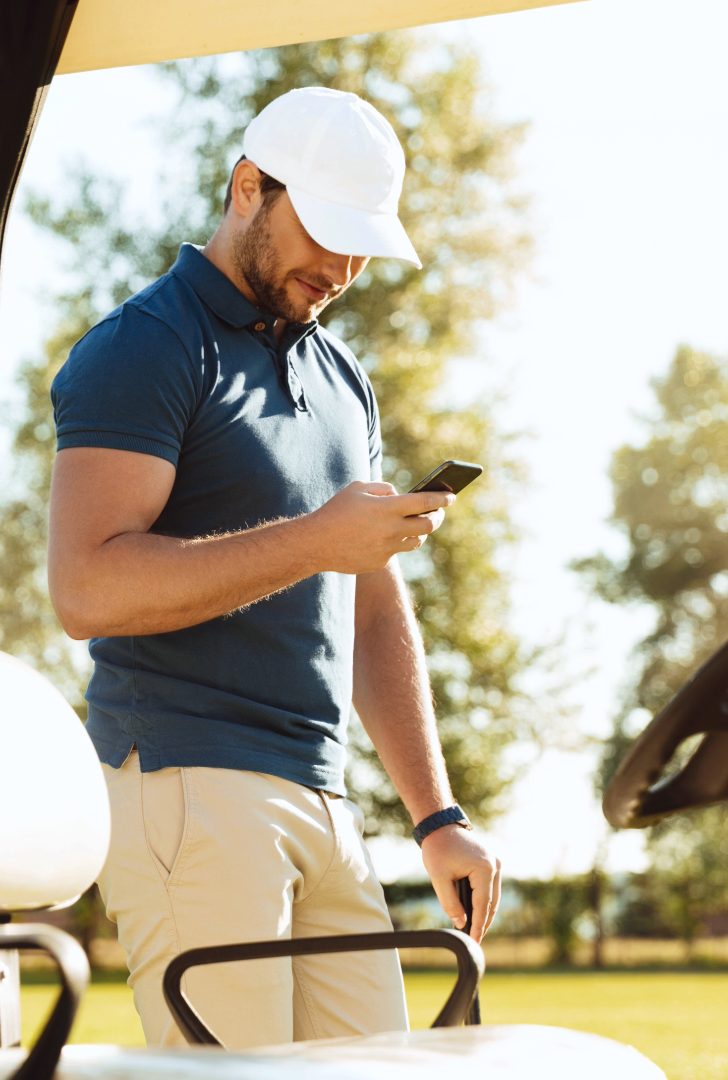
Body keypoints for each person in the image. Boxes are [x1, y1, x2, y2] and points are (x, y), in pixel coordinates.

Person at [45, 87, 503, 1049]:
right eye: (326, 232)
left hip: (323, 794)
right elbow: (86, 589)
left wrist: (436, 816)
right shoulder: (145, 346)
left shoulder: (342, 378)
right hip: (188, 782)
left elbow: (373, 609)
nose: (342, 267)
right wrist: (315, 542)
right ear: (248, 187)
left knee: (376, 1074)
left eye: (362, 242)